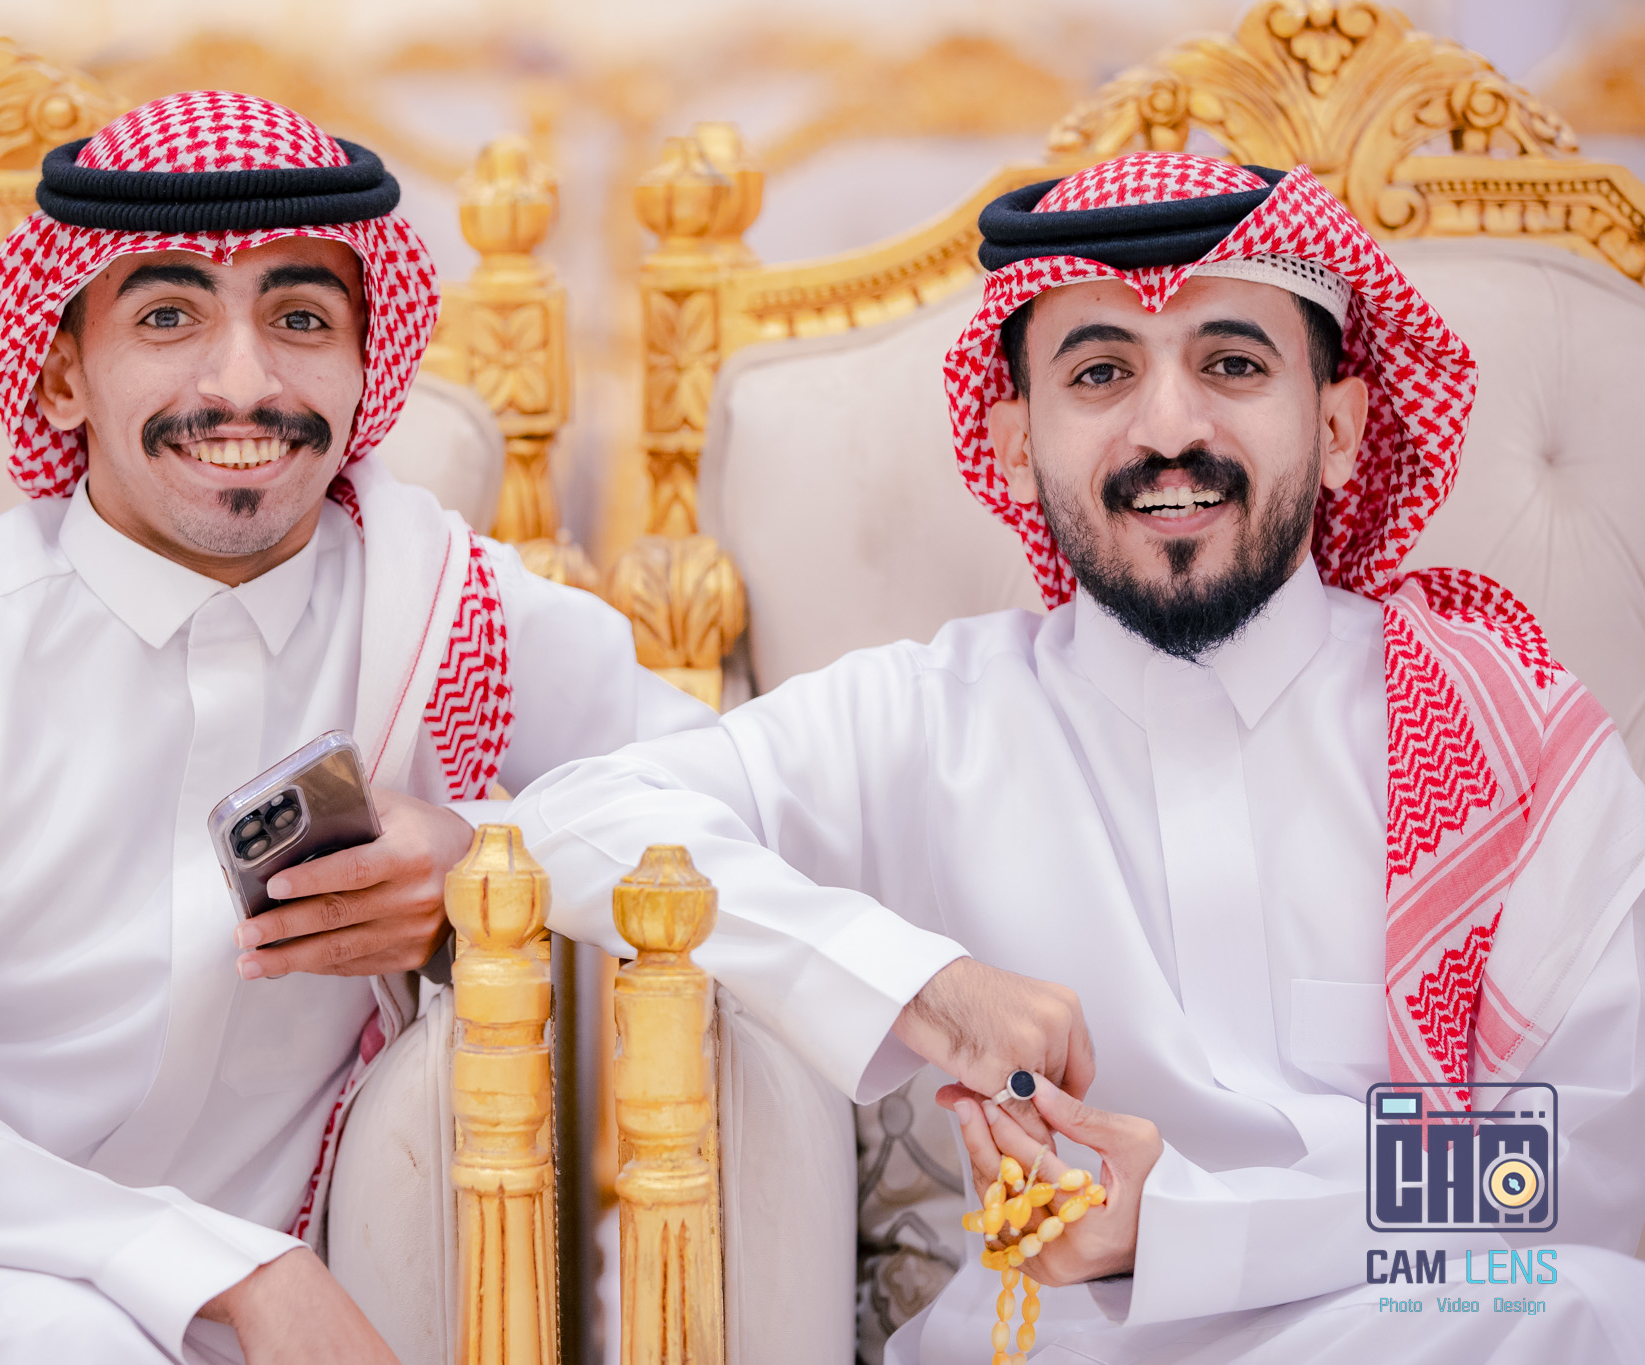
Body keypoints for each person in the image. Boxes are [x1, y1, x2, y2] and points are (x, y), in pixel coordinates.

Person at [0, 93, 711, 1365]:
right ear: (62, 372)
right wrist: (234, 1272)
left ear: (368, 362)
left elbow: (719, 787)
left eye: (301, 319)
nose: (242, 385)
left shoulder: (435, 608)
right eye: (168, 318)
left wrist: (482, 864)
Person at [510, 153, 1645, 1361]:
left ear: (1337, 426)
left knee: (1585, 1309)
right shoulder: (930, 719)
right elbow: (569, 823)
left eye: (1231, 364)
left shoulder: (1500, 728)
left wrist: (1194, 1230)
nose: (1169, 430)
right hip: (1047, 1343)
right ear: (1012, 444)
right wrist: (921, 988)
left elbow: (1592, 1155)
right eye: (1100, 373)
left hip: (1424, 1329)